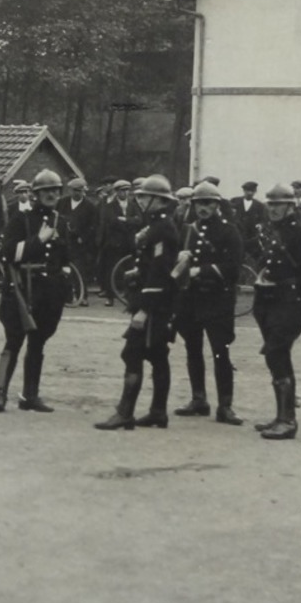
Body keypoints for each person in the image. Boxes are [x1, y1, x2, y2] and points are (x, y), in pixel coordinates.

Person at [94, 174, 181, 430]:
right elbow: (150, 265)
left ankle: (125, 413)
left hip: (154, 304)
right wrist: (136, 272)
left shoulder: (162, 228)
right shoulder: (157, 224)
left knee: (132, 352)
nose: (140, 200)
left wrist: (143, 309)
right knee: (157, 355)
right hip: (158, 302)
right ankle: (157, 412)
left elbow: (160, 272)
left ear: (159, 200)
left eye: (145, 196)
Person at [0, 168, 70, 413]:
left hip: (49, 292)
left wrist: (63, 283)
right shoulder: (21, 219)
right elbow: (8, 253)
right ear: (35, 194)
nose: (51, 195)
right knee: (13, 341)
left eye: (55, 190)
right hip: (22, 290)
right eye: (46, 191)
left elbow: (66, 259)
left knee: (38, 344)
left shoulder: (62, 222)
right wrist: (39, 241)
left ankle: (29, 396)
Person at [250, 183, 301, 441]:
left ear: (291, 207)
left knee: (276, 353)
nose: (273, 209)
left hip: (290, 303)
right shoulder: (275, 231)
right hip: (271, 302)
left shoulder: (299, 234)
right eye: (270, 204)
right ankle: (281, 415)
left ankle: (287, 420)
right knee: (276, 357)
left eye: (278, 204)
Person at [171, 181, 245, 424]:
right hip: (191, 300)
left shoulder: (228, 231)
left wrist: (200, 271)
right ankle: (198, 399)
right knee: (193, 350)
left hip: (217, 300)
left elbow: (234, 269)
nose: (203, 208)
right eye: (199, 203)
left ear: (217, 204)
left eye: (208, 203)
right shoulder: (187, 229)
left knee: (220, 353)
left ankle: (225, 406)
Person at [56, 176, 98, 306]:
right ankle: (66, 296)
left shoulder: (90, 206)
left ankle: (82, 296)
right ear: (70, 191)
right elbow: (55, 217)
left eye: (79, 191)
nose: (77, 193)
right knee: (63, 269)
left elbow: (94, 225)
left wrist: (83, 237)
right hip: (63, 241)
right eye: (74, 190)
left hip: (79, 244)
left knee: (79, 269)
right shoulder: (62, 203)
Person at [96, 179, 138, 305]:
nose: (124, 193)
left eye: (126, 190)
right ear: (116, 192)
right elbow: (112, 221)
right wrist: (129, 222)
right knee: (111, 270)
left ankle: (129, 296)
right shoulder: (110, 206)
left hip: (129, 243)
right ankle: (110, 297)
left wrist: (125, 219)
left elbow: (139, 220)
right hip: (115, 243)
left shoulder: (133, 205)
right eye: (121, 191)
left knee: (130, 270)